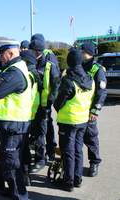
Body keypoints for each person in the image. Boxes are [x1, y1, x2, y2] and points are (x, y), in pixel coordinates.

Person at [0, 40, 30, 199]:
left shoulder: (14, 72)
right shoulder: (13, 69)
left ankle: (20, 195)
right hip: (12, 125)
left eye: (2, 55)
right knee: (10, 161)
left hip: (14, 125)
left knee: (11, 164)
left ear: (11, 54)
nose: (0, 58)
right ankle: (13, 190)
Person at [53, 49, 95, 191]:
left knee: (68, 152)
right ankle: (77, 179)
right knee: (78, 150)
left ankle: (67, 181)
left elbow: (58, 103)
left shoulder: (69, 81)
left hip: (68, 122)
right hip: (83, 121)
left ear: (69, 62)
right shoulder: (89, 78)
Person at [29, 39, 60, 173]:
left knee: (40, 134)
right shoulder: (30, 64)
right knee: (33, 134)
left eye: (32, 50)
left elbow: (56, 85)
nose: (30, 52)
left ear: (38, 52)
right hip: (30, 107)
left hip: (42, 107)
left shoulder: (49, 66)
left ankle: (40, 160)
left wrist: (48, 103)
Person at [80, 42, 107, 177]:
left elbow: (101, 92)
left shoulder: (97, 69)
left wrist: (95, 110)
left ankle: (94, 162)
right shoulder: (79, 66)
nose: (81, 54)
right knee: (78, 138)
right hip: (78, 110)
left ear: (88, 52)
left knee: (91, 138)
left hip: (89, 111)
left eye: (82, 51)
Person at [20, 50, 40, 186]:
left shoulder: (27, 75)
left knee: (23, 147)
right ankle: (26, 175)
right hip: (31, 113)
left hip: (24, 114)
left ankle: (24, 175)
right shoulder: (35, 73)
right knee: (25, 145)